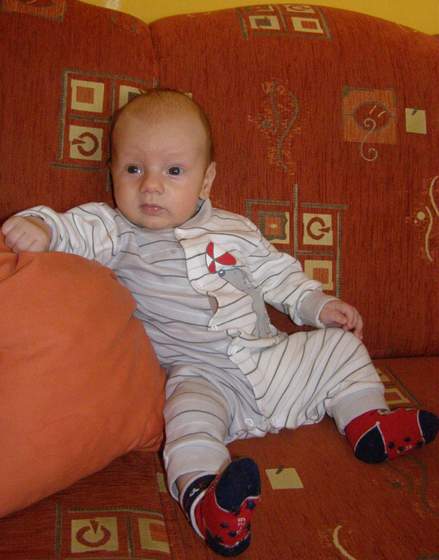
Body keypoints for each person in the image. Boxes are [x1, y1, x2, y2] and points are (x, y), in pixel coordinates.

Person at [2, 89, 438, 557]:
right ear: (111, 172)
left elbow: (277, 275)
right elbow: (71, 228)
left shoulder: (235, 230)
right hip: (201, 376)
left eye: (173, 171)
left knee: (339, 346)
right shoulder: (116, 231)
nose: (151, 186)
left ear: (206, 180)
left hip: (269, 357)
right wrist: (41, 226)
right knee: (186, 418)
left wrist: (317, 304)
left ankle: (367, 422)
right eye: (133, 169)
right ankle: (207, 499)